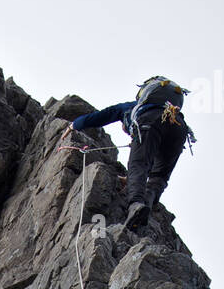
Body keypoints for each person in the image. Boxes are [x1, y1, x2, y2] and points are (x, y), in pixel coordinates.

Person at [61, 78, 193, 232]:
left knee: (138, 164)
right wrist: (130, 179)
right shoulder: (169, 111)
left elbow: (103, 116)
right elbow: (153, 158)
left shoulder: (132, 108)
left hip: (151, 121)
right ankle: (147, 204)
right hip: (179, 128)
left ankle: (136, 205)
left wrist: (74, 125)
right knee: (159, 177)